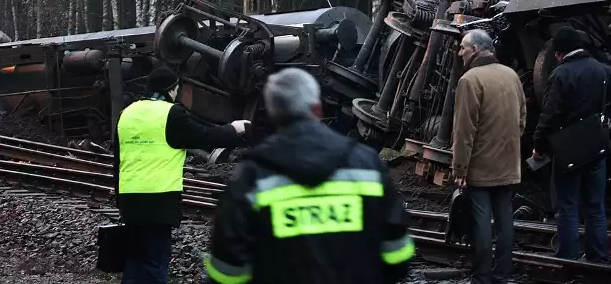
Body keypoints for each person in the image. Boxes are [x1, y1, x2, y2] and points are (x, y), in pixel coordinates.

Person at [204, 67, 414, 284]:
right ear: (318, 108)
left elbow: (226, 273)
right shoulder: (368, 164)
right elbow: (398, 255)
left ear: (273, 114)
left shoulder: (251, 176)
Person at [113, 67, 251, 284]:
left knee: (135, 261)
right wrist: (233, 130)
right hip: (158, 201)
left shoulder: (126, 113)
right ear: (171, 89)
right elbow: (203, 136)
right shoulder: (171, 114)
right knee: (155, 262)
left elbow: (118, 161)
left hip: (129, 200)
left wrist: (120, 200)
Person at [452, 29, 526, 284]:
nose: (460, 52)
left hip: (480, 167)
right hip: (508, 164)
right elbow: (522, 119)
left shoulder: (470, 80)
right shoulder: (511, 75)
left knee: (481, 222)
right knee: (505, 222)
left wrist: (460, 169)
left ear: (475, 49)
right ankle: (502, 275)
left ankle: (482, 276)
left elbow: (464, 130)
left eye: (463, 47)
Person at [532, 25, 610, 263]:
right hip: (598, 147)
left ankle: (568, 257)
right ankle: (598, 256)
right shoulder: (604, 70)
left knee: (567, 205)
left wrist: (539, 144)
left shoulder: (561, 74)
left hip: (569, 150)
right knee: (595, 206)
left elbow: (550, 114)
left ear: (559, 53)